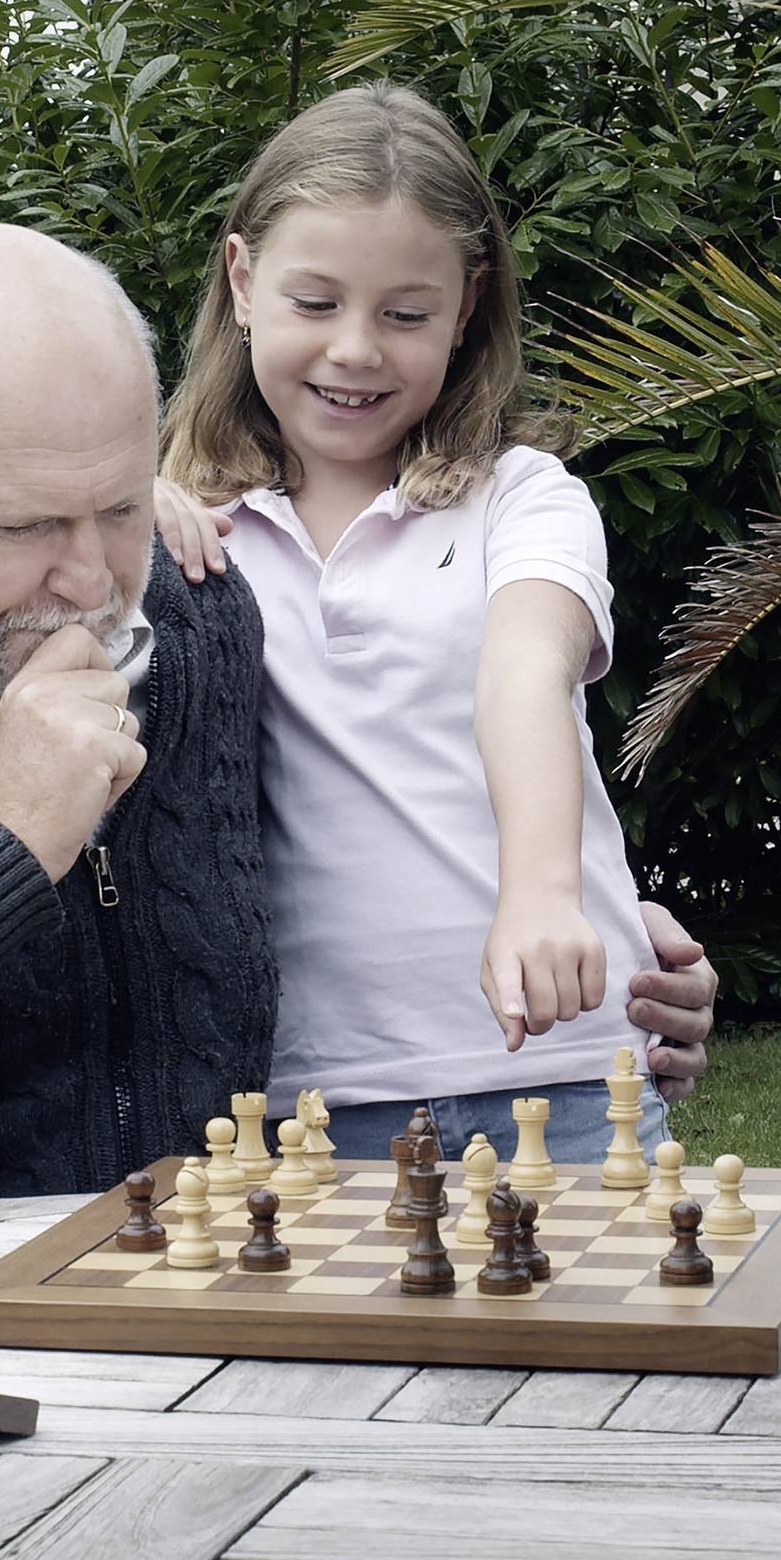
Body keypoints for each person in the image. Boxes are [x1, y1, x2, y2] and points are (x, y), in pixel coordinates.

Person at [0, 223, 714, 1237]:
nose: (91, 577)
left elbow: (365, 811)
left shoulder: (198, 618)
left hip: (213, 1319)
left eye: (115, 505)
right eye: (29, 525)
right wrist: (0, 848)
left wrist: (606, 927)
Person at [157, 83, 688, 1166]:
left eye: (405, 315)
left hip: (565, 1070)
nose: (357, 349)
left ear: (467, 308)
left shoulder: (523, 496)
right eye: (316, 302)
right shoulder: (182, 531)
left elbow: (526, 672)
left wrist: (542, 897)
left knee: (610, 1337)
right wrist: (126, 511)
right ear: (243, 278)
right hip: (316, 1096)